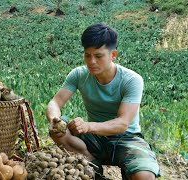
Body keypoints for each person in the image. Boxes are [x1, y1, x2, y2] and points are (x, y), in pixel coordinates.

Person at [46, 23, 160, 180]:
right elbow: (55, 102)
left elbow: (122, 123)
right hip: (96, 138)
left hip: (126, 137)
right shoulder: (79, 74)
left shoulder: (132, 80)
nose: (91, 61)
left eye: (98, 56)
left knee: (144, 176)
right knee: (59, 129)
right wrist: (54, 119)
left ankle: (129, 170)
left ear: (113, 55)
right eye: (87, 55)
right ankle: (92, 167)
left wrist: (88, 126)